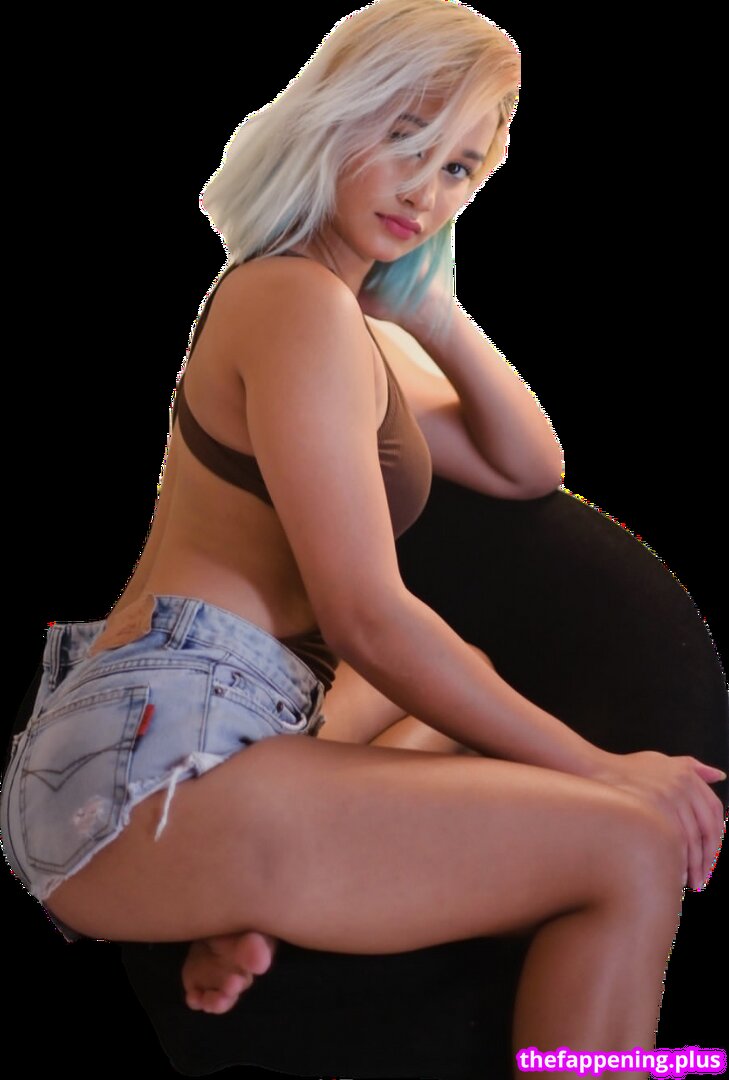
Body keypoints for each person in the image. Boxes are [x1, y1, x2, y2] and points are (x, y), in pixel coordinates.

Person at [1, 1, 725, 1075]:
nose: (426, 190)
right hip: (153, 767)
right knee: (628, 845)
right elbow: (367, 619)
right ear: (334, 116)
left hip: (202, 727)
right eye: (406, 138)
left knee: (460, 719)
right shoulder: (293, 307)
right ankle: (222, 879)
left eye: (459, 169)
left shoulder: (326, 316)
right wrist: (608, 773)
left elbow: (527, 466)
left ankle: (236, 903)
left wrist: (430, 312)